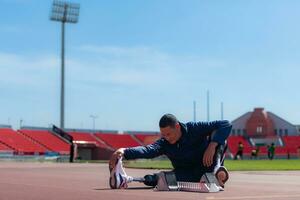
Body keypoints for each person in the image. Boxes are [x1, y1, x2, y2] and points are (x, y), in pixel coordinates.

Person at [109, 113, 232, 189]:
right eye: (163, 135)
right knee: (161, 179)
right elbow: (147, 150)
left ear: (177, 126)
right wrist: (124, 151)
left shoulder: (194, 128)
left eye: (169, 134)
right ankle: (124, 179)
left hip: (208, 166)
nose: (167, 138)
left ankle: (217, 174)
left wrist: (212, 145)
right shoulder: (164, 143)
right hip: (186, 174)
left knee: (220, 139)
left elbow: (225, 124)